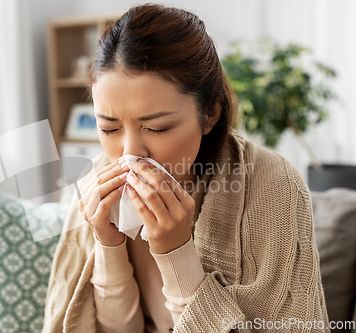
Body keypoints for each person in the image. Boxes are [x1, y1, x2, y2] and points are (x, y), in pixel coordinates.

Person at [42, 3, 329, 332]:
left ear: (210, 115)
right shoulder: (98, 180)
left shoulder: (272, 184)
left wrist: (176, 252)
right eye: (109, 129)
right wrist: (109, 245)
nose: (130, 152)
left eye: (157, 128)